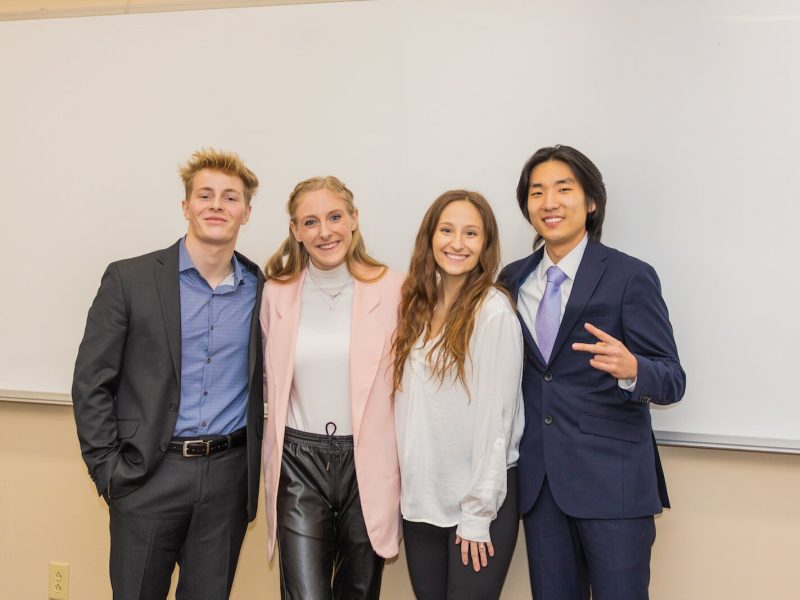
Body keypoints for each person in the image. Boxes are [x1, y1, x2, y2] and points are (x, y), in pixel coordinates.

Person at [72, 149, 264, 599]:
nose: (217, 205)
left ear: (247, 212)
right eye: (205, 195)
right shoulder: (129, 279)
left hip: (227, 480)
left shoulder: (264, 290)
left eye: (230, 197)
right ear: (186, 206)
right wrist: (110, 472)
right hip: (147, 476)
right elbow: (91, 383)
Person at [498, 145, 686, 600]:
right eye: (537, 192)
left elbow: (672, 378)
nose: (549, 202)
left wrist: (632, 369)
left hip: (614, 485)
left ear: (591, 201)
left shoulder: (629, 276)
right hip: (540, 487)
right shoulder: (510, 280)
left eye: (564, 189)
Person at [260, 176, 402, 599]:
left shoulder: (395, 288)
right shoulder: (276, 294)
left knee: (358, 593)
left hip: (368, 464)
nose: (325, 232)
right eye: (310, 222)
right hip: (299, 465)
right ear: (295, 231)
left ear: (354, 220)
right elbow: (268, 383)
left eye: (335, 217)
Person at [392, 190, 524, 600]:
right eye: (447, 230)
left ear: (485, 245)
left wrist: (477, 514)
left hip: (477, 502)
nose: (456, 243)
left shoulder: (493, 311)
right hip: (422, 501)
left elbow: (496, 420)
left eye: (471, 233)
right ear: (430, 236)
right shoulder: (415, 307)